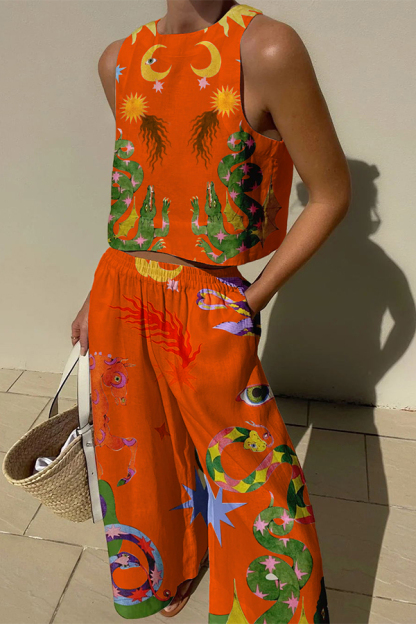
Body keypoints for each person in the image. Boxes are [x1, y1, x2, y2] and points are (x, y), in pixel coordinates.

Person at [71, 1, 350, 621]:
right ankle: (167, 570)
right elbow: (150, 186)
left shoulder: (266, 49)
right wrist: (96, 295)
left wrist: (251, 298)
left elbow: (331, 194)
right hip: (121, 288)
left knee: (254, 480)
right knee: (140, 455)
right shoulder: (119, 61)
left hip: (207, 298)